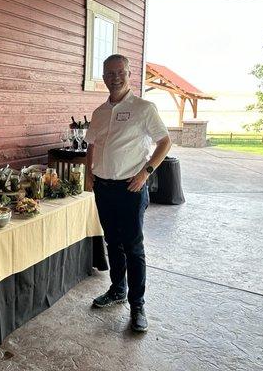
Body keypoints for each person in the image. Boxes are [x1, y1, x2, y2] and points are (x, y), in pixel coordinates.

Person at [85, 54, 171, 332]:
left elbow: (165, 141)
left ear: (129, 73)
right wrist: (89, 175)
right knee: (113, 242)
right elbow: (92, 145)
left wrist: (147, 171)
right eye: (109, 73)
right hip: (103, 187)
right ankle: (117, 290)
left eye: (120, 72)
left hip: (130, 188)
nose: (114, 77)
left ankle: (137, 304)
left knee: (133, 247)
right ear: (103, 75)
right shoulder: (98, 112)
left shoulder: (144, 108)